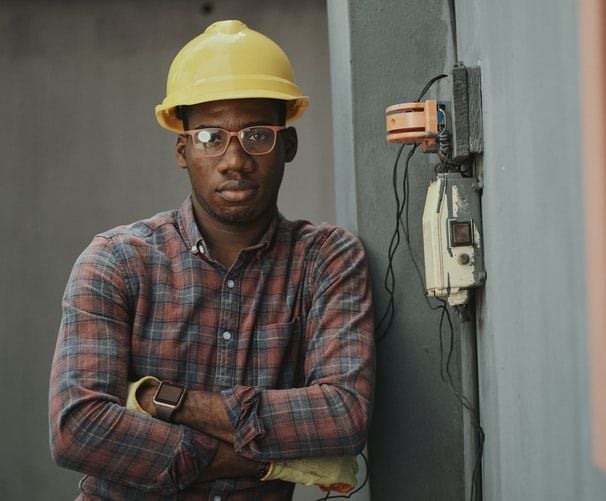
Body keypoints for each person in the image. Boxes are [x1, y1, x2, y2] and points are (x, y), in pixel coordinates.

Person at [48, 20, 375, 500]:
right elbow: (77, 428)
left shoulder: (326, 260)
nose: (235, 159)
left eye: (258, 135)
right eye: (209, 138)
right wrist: (267, 460)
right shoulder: (116, 261)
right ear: (183, 150)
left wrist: (167, 402)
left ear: (289, 145)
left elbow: (344, 416)